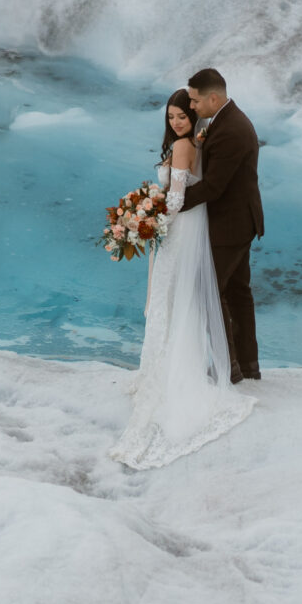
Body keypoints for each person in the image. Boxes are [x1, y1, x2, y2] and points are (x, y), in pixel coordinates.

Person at [108, 88, 253, 468]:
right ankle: (182, 366)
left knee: (171, 297)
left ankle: (176, 373)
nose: (175, 122)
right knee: (174, 297)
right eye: (171, 116)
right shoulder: (192, 142)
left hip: (179, 228)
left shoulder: (186, 147)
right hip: (181, 227)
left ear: (194, 119)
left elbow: (174, 199)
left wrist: (145, 221)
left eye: (182, 117)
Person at [174, 68, 263, 382]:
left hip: (230, 227)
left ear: (214, 97)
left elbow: (213, 187)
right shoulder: (225, 122)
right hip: (240, 222)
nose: (193, 106)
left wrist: (170, 204)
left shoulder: (231, 130)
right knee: (238, 293)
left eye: (196, 100)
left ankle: (231, 368)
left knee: (206, 292)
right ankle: (247, 365)